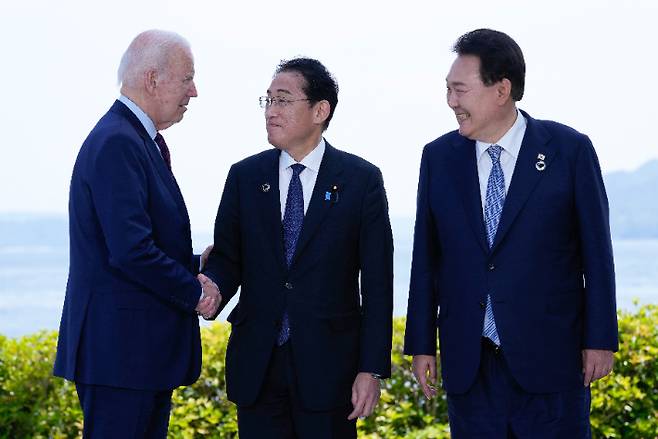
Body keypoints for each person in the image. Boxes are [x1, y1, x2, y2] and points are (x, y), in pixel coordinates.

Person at [404, 28, 618, 437]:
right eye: (448, 90)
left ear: (501, 90)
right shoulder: (438, 158)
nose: (451, 102)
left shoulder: (569, 151)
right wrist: (420, 344)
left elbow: (597, 253)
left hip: (551, 362)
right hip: (470, 365)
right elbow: (425, 260)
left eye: (460, 90)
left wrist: (601, 338)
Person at [203, 57, 393, 438]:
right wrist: (211, 289)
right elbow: (228, 258)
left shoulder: (361, 181)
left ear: (320, 110)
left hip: (329, 370)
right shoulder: (244, 176)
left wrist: (370, 369)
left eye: (283, 100)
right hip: (258, 365)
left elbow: (377, 284)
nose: (271, 111)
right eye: (268, 101)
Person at [53, 29, 220, 438]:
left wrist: (198, 265)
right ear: (152, 79)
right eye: (186, 79)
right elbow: (130, 251)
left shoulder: (134, 139)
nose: (194, 91)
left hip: (135, 357)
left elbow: (138, 244)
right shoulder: (117, 141)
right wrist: (195, 290)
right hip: (120, 357)